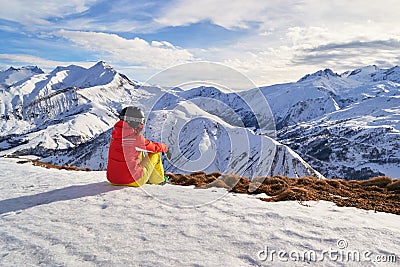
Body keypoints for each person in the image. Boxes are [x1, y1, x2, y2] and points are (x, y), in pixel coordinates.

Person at [106, 106, 169, 186]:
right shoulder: (135, 138)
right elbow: (153, 148)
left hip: (113, 180)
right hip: (133, 181)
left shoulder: (115, 135)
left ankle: (147, 176)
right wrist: (164, 148)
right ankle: (159, 180)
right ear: (135, 122)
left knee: (139, 151)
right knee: (155, 154)